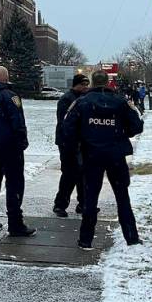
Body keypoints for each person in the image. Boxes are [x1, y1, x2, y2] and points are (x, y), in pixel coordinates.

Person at [62, 71, 144, 250]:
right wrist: (122, 132)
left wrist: (81, 141)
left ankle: (86, 239)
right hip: (115, 155)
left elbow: (67, 128)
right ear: (108, 82)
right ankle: (131, 237)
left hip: (92, 155)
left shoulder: (82, 102)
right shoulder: (120, 102)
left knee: (90, 199)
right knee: (122, 197)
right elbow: (137, 125)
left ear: (92, 82)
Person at [0, 66, 36, 237]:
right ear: (6, 78)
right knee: (14, 184)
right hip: (10, 147)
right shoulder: (9, 96)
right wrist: (22, 142)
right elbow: (18, 122)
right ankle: (15, 223)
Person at [53, 73, 90, 217]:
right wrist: (71, 141)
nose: (86, 87)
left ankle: (83, 203)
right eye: (83, 85)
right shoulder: (67, 99)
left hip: (81, 142)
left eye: (87, 85)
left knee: (82, 174)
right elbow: (64, 123)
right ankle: (60, 204)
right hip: (67, 143)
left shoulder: (84, 98)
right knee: (69, 174)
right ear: (76, 85)